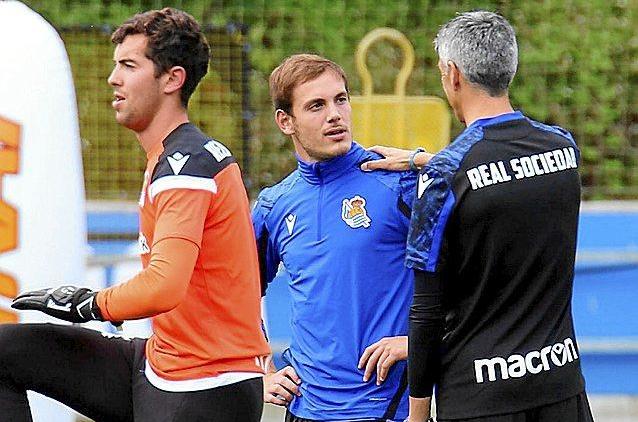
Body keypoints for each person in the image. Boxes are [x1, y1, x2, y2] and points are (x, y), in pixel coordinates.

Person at [4, 8, 270, 422]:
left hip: (204, 384)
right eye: (116, 66)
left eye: (129, 65)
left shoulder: (187, 165)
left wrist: (88, 304)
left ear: (172, 79)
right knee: (7, 352)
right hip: (162, 363)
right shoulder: (172, 157)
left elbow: (164, 286)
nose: (114, 79)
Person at [364, 10, 593, 422]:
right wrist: (426, 161)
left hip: (479, 398)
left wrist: (417, 416)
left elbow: (426, 310)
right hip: (561, 388)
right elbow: (505, 172)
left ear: (452, 74)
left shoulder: (445, 180)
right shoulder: (563, 151)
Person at [252, 54, 417, 421]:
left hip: (386, 410)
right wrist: (260, 370)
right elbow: (237, 294)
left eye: (340, 99)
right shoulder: (274, 205)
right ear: (285, 121)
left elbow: (469, 275)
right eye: (316, 106)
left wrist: (417, 343)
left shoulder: (398, 182)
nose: (334, 115)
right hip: (304, 409)